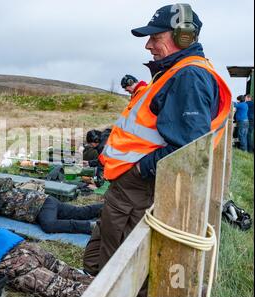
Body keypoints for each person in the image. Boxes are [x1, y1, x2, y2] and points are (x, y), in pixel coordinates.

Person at [83, 4, 232, 276]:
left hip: (138, 189)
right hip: (128, 189)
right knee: (100, 260)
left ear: (182, 37)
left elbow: (189, 149)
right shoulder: (173, 72)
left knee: (121, 271)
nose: (148, 45)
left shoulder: (188, 76)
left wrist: (140, 169)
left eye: (156, 38)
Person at [0, 171, 102, 234]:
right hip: (47, 200)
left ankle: (90, 226)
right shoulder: (0, 186)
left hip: (39, 208)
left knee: (49, 226)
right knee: (79, 211)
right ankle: (105, 208)